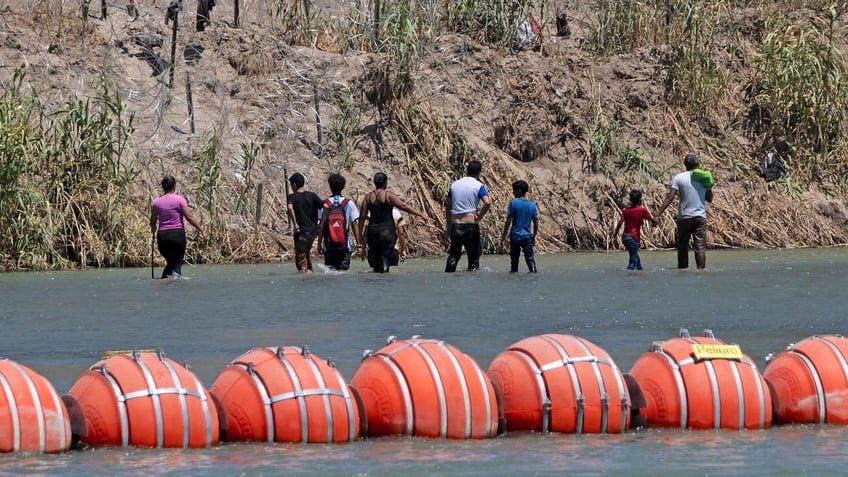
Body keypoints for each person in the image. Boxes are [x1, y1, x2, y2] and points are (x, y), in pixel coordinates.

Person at [358, 172, 427, 273]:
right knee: (385, 259)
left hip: (372, 233)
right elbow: (404, 206)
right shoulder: (388, 195)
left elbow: (362, 217)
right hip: (387, 233)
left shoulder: (368, 197)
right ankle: (385, 283)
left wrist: (360, 234)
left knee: (377, 262)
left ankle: (376, 284)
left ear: (375, 183)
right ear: (385, 183)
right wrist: (420, 214)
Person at [655, 153, 714, 269]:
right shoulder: (703, 177)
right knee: (700, 246)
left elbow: (670, 198)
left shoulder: (679, 177)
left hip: (684, 217)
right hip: (699, 217)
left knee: (682, 246)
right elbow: (710, 198)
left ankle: (682, 271)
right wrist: (709, 185)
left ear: (685, 164)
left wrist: (657, 214)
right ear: (697, 164)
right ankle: (701, 271)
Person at [150, 175, 208, 278]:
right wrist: (201, 230)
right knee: (176, 262)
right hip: (177, 236)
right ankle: (176, 288)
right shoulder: (179, 200)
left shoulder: (156, 202)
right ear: (174, 187)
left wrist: (153, 230)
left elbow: (153, 220)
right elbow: (189, 217)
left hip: (163, 237)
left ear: (163, 187)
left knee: (170, 262)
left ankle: (166, 283)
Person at [445, 160, 492, 272]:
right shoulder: (478, 186)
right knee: (473, 258)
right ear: (479, 172)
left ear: (467, 170)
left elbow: (448, 205)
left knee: (454, 255)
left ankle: (448, 276)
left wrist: (448, 225)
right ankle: (472, 282)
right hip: (470, 226)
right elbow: (488, 202)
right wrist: (479, 217)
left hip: (456, 225)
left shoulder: (454, 185)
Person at [316, 173, 361, 271]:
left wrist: (319, 244)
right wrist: (359, 244)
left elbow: (321, 226)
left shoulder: (324, 204)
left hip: (328, 246)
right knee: (343, 274)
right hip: (345, 246)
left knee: (330, 273)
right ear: (343, 187)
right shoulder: (349, 203)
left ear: (330, 187)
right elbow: (354, 223)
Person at [286, 172, 324, 273]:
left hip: (301, 232)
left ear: (294, 185)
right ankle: (312, 272)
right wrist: (321, 223)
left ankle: (305, 278)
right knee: (306, 255)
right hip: (312, 232)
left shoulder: (292, 197)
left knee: (301, 257)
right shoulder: (312, 196)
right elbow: (326, 207)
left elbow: (290, 208)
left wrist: (295, 224)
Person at [500, 180, 538, 273]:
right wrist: (534, 236)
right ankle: (533, 275)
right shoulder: (532, 205)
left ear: (519, 191)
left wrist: (504, 236)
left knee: (514, 261)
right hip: (526, 236)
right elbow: (536, 222)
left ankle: (514, 278)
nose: (513, 192)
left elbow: (508, 221)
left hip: (515, 236)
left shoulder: (513, 203)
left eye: (514, 190)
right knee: (530, 259)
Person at [613, 189, 657, 270]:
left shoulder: (626, 211)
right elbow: (651, 220)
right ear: (640, 200)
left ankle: (639, 273)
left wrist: (615, 234)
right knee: (633, 261)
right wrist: (655, 222)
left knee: (636, 259)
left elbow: (620, 223)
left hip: (625, 237)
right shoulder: (642, 210)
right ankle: (627, 276)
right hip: (633, 238)